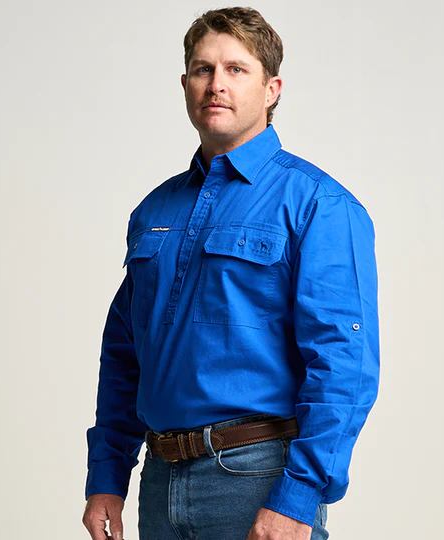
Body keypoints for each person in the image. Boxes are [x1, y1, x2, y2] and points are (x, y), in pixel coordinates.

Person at [82, 6, 380, 540]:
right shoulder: (154, 211)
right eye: (203, 69)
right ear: (185, 85)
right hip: (160, 480)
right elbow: (124, 354)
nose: (216, 84)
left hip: (256, 479)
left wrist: (298, 497)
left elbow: (343, 364)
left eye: (236, 69)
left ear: (271, 90)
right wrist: (107, 476)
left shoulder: (318, 204)